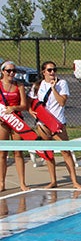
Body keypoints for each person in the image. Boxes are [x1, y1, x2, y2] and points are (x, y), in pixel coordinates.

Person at [29, 61, 81, 190]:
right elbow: (31, 103)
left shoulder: (62, 84)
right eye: (49, 70)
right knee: (48, 152)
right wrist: (33, 113)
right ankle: (53, 180)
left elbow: (62, 102)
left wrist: (53, 88)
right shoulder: (38, 86)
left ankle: (74, 181)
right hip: (43, 124)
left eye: (54, 69)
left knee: (66, 151)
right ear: (43, 72)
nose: (52, 72)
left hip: (57, 123)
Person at [0, 61, 29, 191]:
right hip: (3, 121)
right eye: (8, 71)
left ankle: (22, 183)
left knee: (18, 152)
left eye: (13, 71)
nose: (11, 73)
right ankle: (1, 183)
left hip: (17, 120)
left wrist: (13, 108)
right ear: (2, 72)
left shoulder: (19, 85)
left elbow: (24, 105)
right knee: (2, 153)